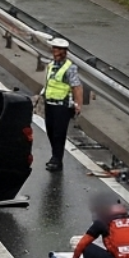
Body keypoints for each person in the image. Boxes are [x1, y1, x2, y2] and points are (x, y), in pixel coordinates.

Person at [34, 37, 83, 171]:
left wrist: (78, 104)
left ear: (64, 51)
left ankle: (56, 159)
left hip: (63, 106)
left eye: (58, 49)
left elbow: (76, 87)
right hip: (50, 103)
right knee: (50, 131)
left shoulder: (70, 68)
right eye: (54, 48)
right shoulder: (51, 65)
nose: (55, 51)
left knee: (59, 133)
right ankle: (55, 156)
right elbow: (49, 83)